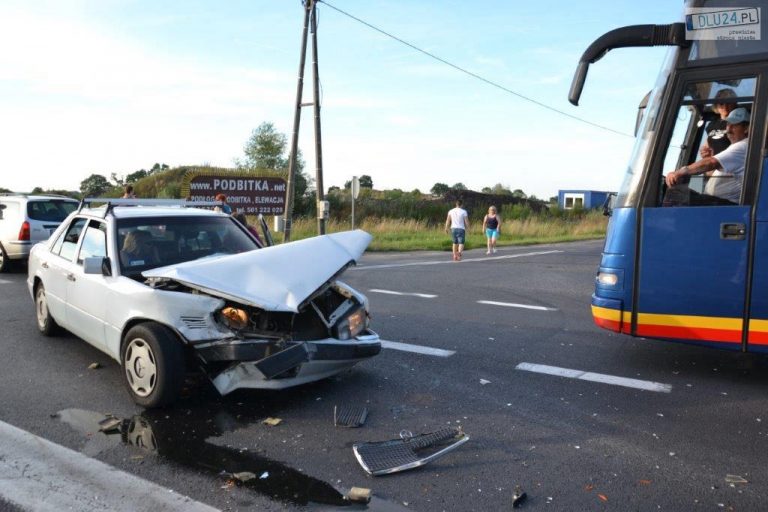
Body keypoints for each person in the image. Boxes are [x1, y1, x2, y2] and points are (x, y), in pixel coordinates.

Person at [666, 107, 750, 204]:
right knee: (682, 187)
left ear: (746, 128)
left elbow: (711, 163)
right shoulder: (736, 147)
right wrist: (707, 159)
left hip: (725, 204)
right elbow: (711, 172)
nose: (729, 130)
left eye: (734, 125)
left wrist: (679, 172)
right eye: (728, 124)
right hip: (713, 199)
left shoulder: (743, 146)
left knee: (674, 193)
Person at [699, 88, 737, 159]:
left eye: (729, 103)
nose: (725, 106)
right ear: (716, 106)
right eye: (721, 103)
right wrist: (704, 152)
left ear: (734, 104)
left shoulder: (738, 122)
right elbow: (708, 145)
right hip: (714, 162)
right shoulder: (711, 125)